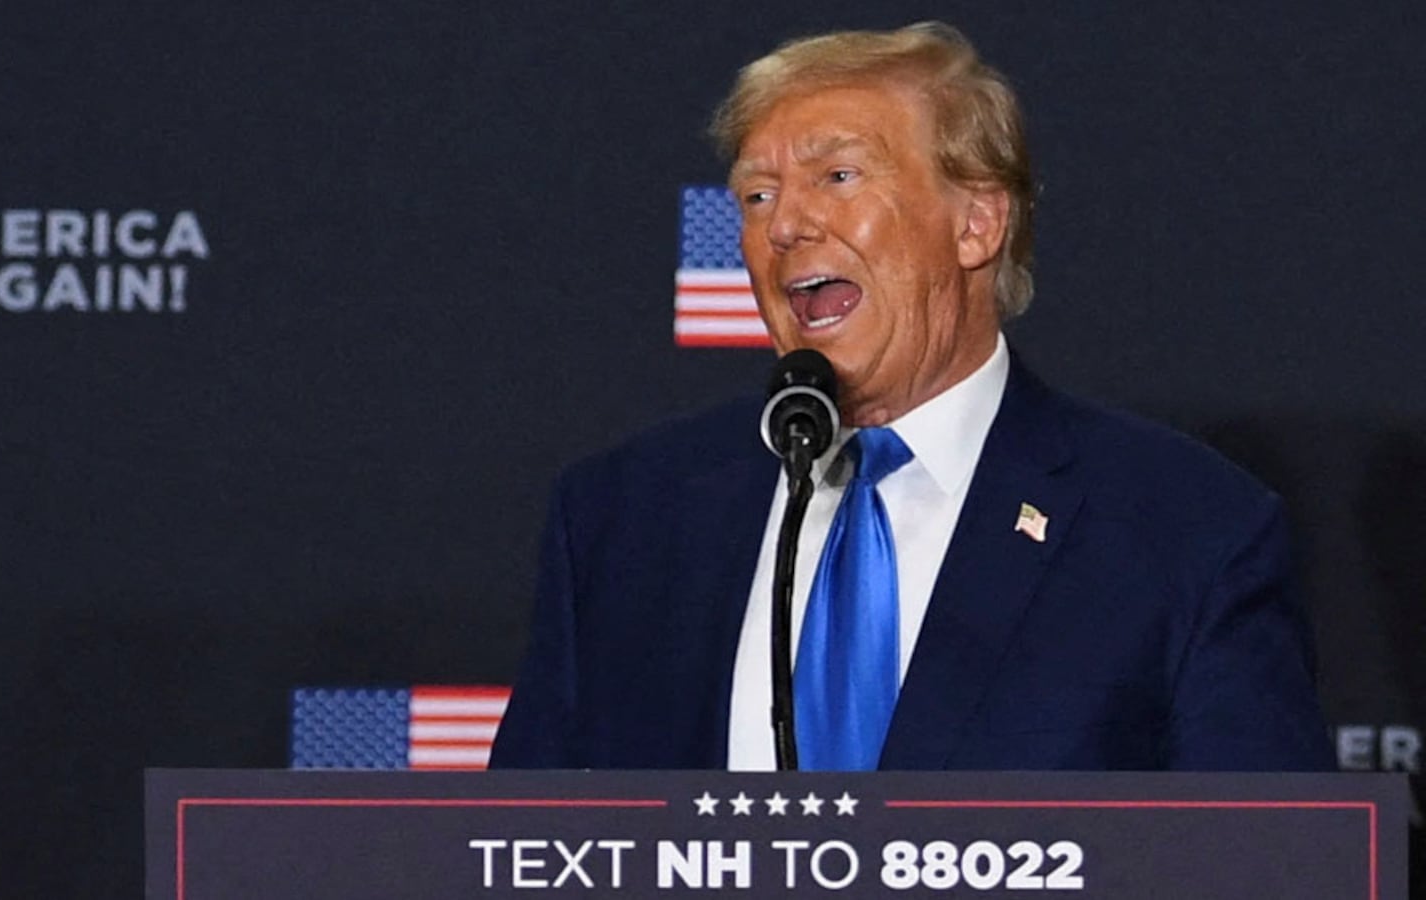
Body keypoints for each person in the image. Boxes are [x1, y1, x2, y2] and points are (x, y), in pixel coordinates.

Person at [490, 21, 1332, 771]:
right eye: (756, 195)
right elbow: (520, 852)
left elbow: (1265, 859)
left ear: (977, 224)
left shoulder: (1184, 530)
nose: (784, 226)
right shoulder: (624, 519)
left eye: (839, 176)